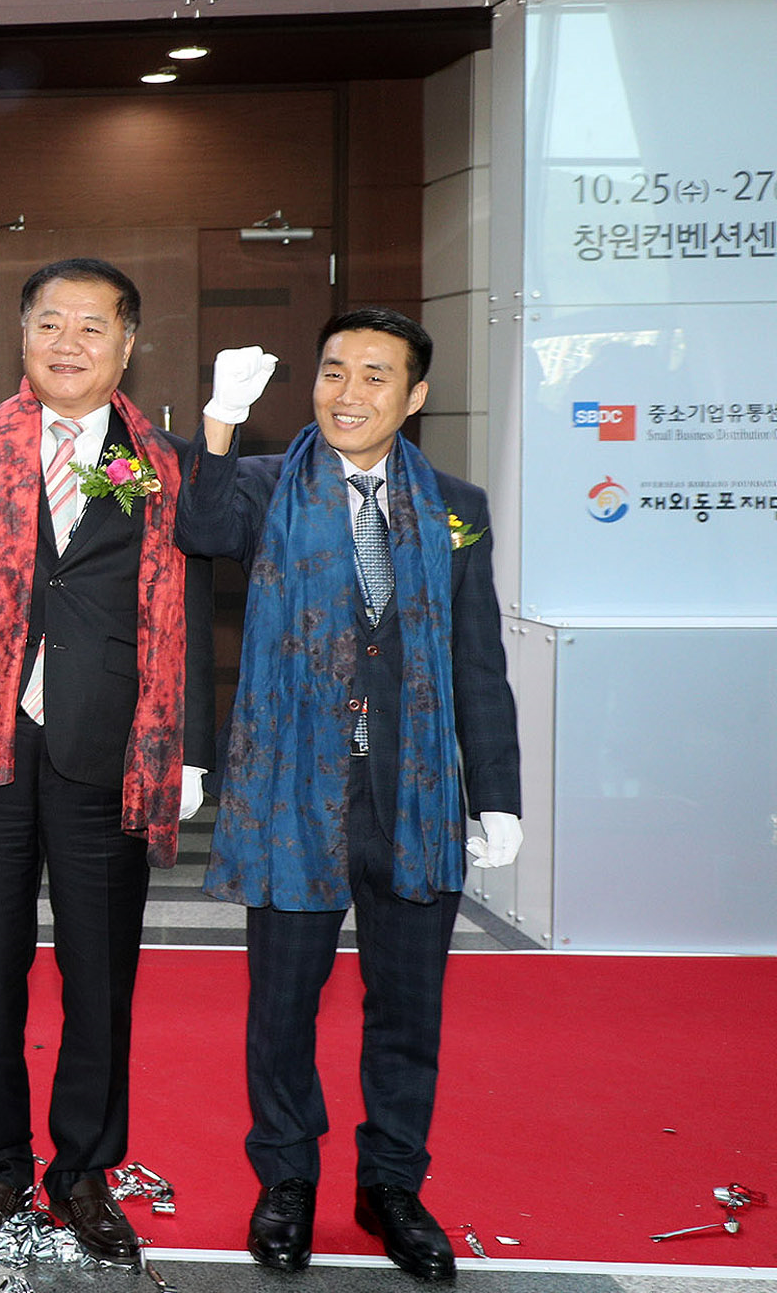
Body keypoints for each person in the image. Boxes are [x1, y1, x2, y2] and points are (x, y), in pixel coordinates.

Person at [0, 262, 213, 1267]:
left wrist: (190, 745)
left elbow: (187, 600)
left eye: (91, 326)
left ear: (127, 344)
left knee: (101, 975)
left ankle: (84, 1171)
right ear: (22, 337)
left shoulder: (163, 460)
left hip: (108, 746)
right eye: (49, 323)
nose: (68, 342)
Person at [178, 316, 522, 1283]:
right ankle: (286, 1180)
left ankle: (392, 1186)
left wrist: (496, 793)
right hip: (296, 791)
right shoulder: (262, 484)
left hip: (414, 796)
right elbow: (199, 528)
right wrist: (219, 421)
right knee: (283, 1008)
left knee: (408, 1011)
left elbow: (477, 659)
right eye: (335, 372)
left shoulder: (456, 506)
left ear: (415, 397)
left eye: (376, 376)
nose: (349, 393)